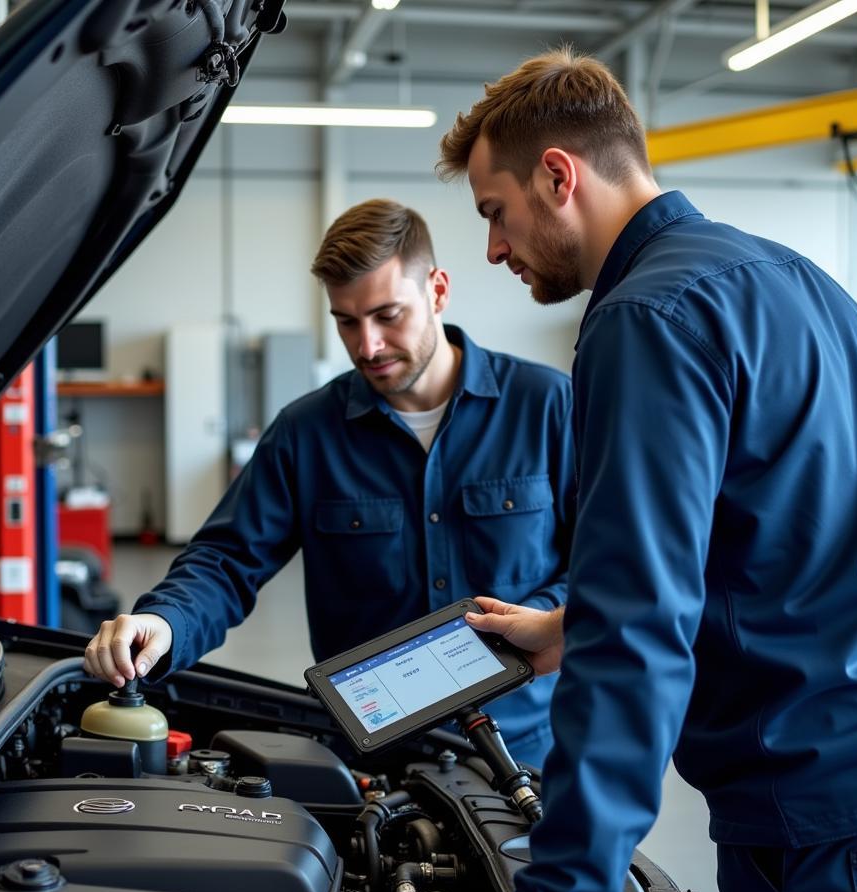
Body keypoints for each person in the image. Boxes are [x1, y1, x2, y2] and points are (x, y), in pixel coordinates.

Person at [393, 48, 857, 892]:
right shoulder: (788, 278)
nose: (491, 251)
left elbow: (640, 630)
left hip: (817, 826)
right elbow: (823, 531)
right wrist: (569, 622)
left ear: (559, 175)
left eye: (493, 212)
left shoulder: (644, 318)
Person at [83, 198, 575, 768]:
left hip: (527, 745)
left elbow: (603, 561)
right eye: (346, 321)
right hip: (373, 759)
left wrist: (534, 620)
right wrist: (164, 621)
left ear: (437, 290)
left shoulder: (547, 406)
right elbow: (225, 560)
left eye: (388, 315)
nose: (367, 345)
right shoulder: (306, 432)